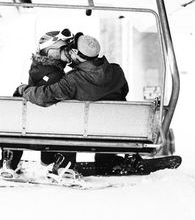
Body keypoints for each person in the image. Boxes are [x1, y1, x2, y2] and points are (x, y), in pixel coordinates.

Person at [17, 33, 130, 173]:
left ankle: (63, 163)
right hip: (117, 132)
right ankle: (107, 159)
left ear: (77, 54)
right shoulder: (116, 71)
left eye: (71, 49)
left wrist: (24, 89)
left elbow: (45, 96)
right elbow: (124, 91)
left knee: (68, 119)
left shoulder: (73, 80)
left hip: (84, 134)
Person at [0, 29, 75, 177]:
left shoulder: (37, 67)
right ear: (52, 51)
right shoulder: (56, 75)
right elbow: (48, 98)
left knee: (17, 118)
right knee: (68, 118)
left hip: (31, 127)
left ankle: (9, 162)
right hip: (50, 130)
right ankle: (62, 165)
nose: (69, 52)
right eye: (65, 49)